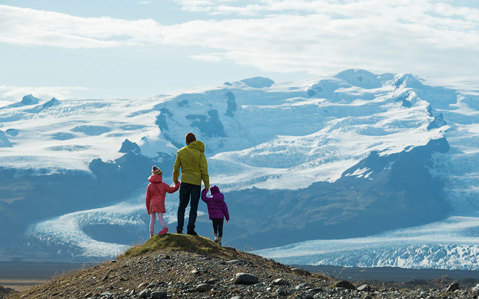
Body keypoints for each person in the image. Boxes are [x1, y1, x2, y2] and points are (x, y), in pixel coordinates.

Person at [173, 132, 210, 235]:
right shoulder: (200, 153)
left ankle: (179, 229)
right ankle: (190, 229)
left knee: (182, 206)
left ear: (186, 141)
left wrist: (175, 180)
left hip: (185, 182)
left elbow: (176, 169)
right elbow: (204, 171)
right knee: (193, 208)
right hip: (196, 184)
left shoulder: (181, 152)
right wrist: (207, 186)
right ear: (195, 140)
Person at [146, 166, 180, 237]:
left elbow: (147, 198)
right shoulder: (163, 185)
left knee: (152, 219)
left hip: (152, 204)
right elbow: (171, 190)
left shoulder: (149, 186)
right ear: (160, 175)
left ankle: (151, 234)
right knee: (160, 217)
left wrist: (148, 208)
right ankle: (165, 228)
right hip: (160, 203)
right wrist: (177, 185)